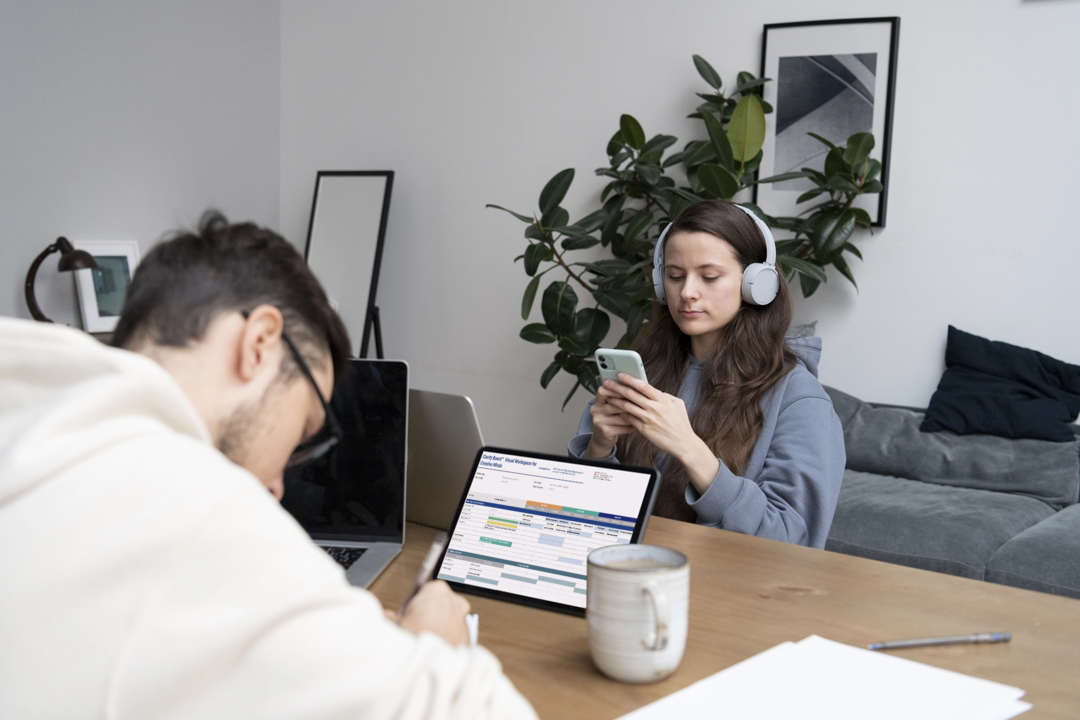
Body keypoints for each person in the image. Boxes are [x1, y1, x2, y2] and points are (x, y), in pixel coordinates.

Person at [0, 211, 536, 719]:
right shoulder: (197, 512)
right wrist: (431, 646)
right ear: (258, 342)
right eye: (304, 430)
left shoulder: (31, 396)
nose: (278, 486)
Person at [568, 200, 845, 549]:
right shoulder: (645, 372)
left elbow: (792, 543)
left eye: (709, 276)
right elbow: (582, 522)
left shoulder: (799, 400)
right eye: (674, 276)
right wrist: (599, 449)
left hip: (727, 592)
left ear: (756, 283)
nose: (687, 293)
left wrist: (690, 449)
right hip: (628, 574)